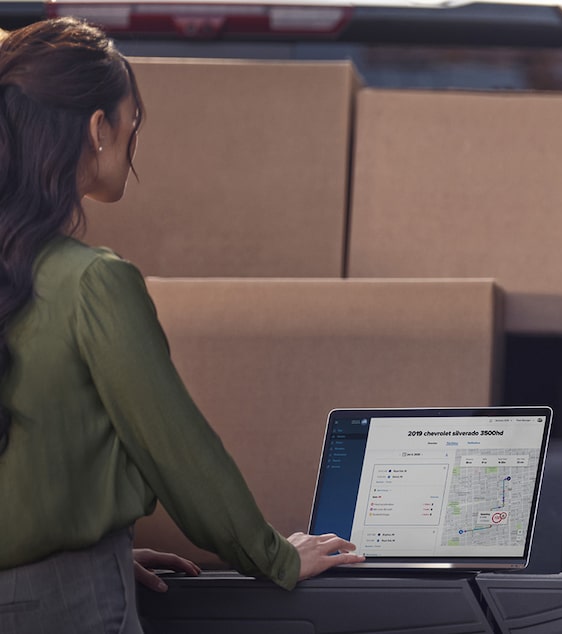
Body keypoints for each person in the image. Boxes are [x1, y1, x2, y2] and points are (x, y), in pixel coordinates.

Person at [0, 17, 364, 632]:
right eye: (131, 123)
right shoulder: (94, 282)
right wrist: (272, 554)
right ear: (97, 129)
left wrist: (106, 549)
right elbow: (177, 451)